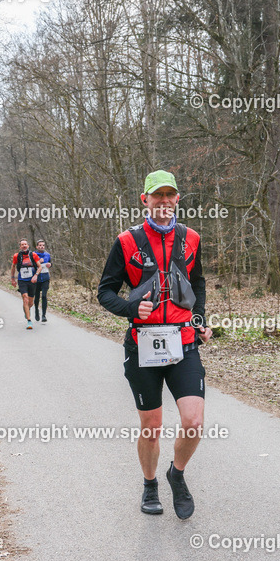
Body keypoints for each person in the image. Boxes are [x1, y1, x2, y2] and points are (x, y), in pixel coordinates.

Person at [97, 170, 211, 519]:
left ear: (177, 199)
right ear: (144, 200)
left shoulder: (190, 238)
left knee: (193, 422)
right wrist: (130, 308)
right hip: (142, 345)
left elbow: (197, 283)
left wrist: (199, 319)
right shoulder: (127, 241)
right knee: (151, 428)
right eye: (156, 195)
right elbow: (105, 291)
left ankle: (177, 474)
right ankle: (150, 484)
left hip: (183, 343)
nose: (163, 201)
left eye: (169, 194)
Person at [10, 239, 40, 330]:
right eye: (22, 244)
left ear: (28, 245)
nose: (24, 246)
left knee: (30, 302)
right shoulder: (17, 256)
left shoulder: (33, 255)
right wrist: (12, 278)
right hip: (22, 280)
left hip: (32, 280)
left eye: (25, 244)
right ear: (20, 247)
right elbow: (13, 266)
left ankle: (27, 310)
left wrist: (36, 275)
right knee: (25, 298)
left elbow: (39, 267)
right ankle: (29, 320)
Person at [33, 240, 51, 323]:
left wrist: (50, 265)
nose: (41, 247)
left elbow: (50, 263)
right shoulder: (33, 254)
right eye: (40, 245)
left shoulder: (47, 255)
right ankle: (36, 310)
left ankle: (44, 315)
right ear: (37, 246)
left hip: (45, 278)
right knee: (37, 296)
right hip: (37, 278)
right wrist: (37, 263)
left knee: (44, 296)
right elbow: (31, 265)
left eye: (43, 245)